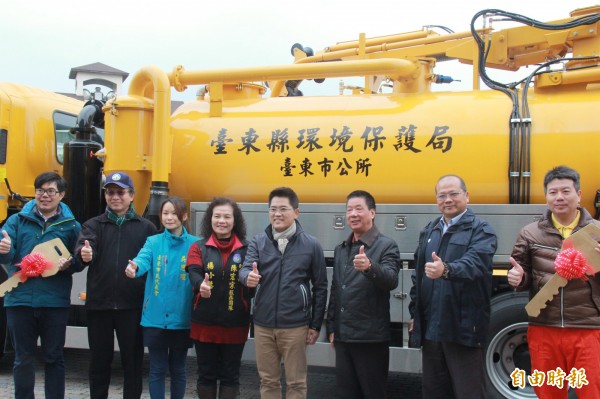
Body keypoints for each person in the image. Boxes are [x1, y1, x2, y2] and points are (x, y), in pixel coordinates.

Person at [508, 165, 600, 399]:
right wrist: (518, 279)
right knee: (548, 393)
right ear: (546, 196)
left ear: (579, 195)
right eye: (553, 192)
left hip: (588, 328)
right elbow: (524, 275)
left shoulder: (597, 232)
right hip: (543, 327)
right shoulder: (530, 233)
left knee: (592, 391)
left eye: (566, 191)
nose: (559, 197)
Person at [408, 174, 497, 399]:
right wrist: (414, 314)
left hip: (463, 327)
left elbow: (475, 264)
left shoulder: (481, 230)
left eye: (453, 194)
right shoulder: (430, 230)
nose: (448, 200)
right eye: (442, 195)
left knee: (468, 391)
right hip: (431, 328)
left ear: (466, 196)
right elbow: (418, 276)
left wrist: (446, 270)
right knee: (434, 390)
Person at [239, 187, 328, 399]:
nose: (277, 214)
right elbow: (244, 269)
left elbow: (321, 286)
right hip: (263, 324)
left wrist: (315, 325)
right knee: (268, 380)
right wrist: (247, 278)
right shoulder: (259, 241)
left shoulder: (311, 244)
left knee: (296, 382)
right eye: (273, 209)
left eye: (283, 209)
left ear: (296, 212)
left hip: (295, 326)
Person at [75, 171, 157, 399]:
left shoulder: (146, 228)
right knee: (99, 363)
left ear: (132, 195)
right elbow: (83, 251)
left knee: (133, 364)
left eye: (120, 192)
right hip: (99, 306)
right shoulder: (93, 225)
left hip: (132, 306)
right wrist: (85, 254)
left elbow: (153, 263)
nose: (115, 197)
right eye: (110, 192)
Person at [0, 171, 81, 399]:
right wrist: (4, 251)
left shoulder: (72, 226)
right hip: (20, 300)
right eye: (40, 191)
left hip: (54, 302)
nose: (44, 195)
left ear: (61, 195)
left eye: (50, 191)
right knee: (22, 358)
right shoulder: (16, 221)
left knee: (54, 357)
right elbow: (6, 252)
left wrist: (71, 263)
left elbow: (79, 260)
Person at [326, 190, 401, 398]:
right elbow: (336, 290)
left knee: (373, 392)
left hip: (370, 338)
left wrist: (369, 267)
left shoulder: (386, 245)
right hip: (343, 337)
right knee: (346, 393)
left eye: (359, 209)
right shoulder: (341, 248)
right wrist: (332, 327)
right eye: (349, 210)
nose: (353, 214)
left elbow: (391, 280)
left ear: (372, 213)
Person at [125, 197, 197, 399]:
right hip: (155, 317)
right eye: (165, 213)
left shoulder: (195, 244)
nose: (169, 217)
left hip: (182, 317)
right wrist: (135, 268)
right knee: (156, 370)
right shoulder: (153, 242)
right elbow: (143, 259)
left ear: (183, 216)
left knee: (178, 369)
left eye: (174, 213)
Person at [185, 197, 251, 399]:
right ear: (210, 219)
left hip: (236, 323)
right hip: (204, 322)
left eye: (227, 216)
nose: (221, 220)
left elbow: (252, 278)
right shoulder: (198, 247)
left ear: (235, 220)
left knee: (231, 375)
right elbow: (194, 271)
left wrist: (253, 281)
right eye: (217, 216)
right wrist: (199, 285)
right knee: (206, 374)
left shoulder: (247, 248)